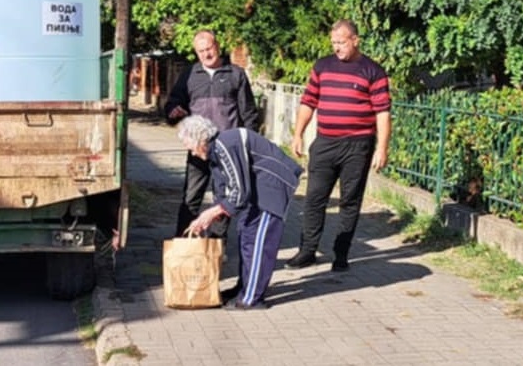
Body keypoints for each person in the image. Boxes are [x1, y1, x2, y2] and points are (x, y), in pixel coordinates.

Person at [286, 19, 391, 272]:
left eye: (341, 42)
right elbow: (308, 102)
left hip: (357, 146)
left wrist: (382, 148)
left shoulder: (373, 71)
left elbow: (383, 113)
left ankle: (341, 254)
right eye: (333, 43)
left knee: (350, 201)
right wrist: (298, 134)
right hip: (325, 143)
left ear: (355, 40)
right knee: (314, 198)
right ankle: (307, 251)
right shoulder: (322, 66)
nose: (337, 48)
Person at [179, 115, 304, 310]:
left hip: (270, 190)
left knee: (259, 243)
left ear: (200, 140)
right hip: (255, 194)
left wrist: (211, 214)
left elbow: (239, 191)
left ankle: (252, 298)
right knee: (245, 235)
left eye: (191, 147)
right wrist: (209, 218)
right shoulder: (215, 154)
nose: (193, 153)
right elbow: (224, 192)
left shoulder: (225, 145)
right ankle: (243, 287)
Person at [164, 29, 259, 239]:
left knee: (223, 198)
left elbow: (249, 113)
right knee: (190, 198)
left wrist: (249, 146)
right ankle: (183, 241)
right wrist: (173, 112)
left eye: (209, 49)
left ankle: (217, 244)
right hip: (198, 150)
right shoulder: (189, 75)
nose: (206, 54)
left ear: (217, 46)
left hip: (227, 150)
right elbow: (171, 106)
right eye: (201, 51)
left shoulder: (235, 74)